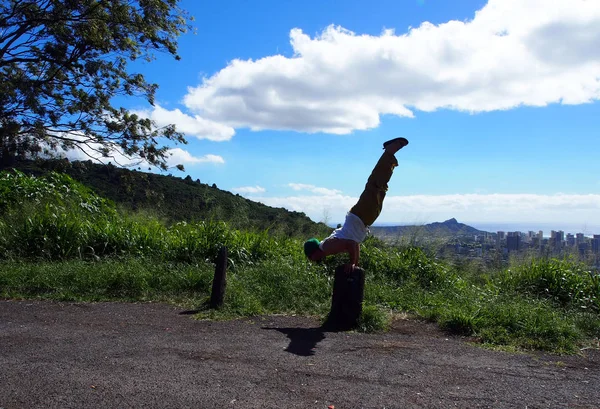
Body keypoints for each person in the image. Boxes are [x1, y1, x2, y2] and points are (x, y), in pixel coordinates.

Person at [303, 137, 409, 272]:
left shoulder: (327, 247)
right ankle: (389, 155)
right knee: (379, 188)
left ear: (313, 253)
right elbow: (354, 244)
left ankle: (389, 151)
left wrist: (353, 264)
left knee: (375, 186)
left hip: (360, 216)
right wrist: (356, 265)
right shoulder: (327, 247)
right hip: (363, 218)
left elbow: (351, 244)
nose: (313, 261)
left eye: (311, 258)